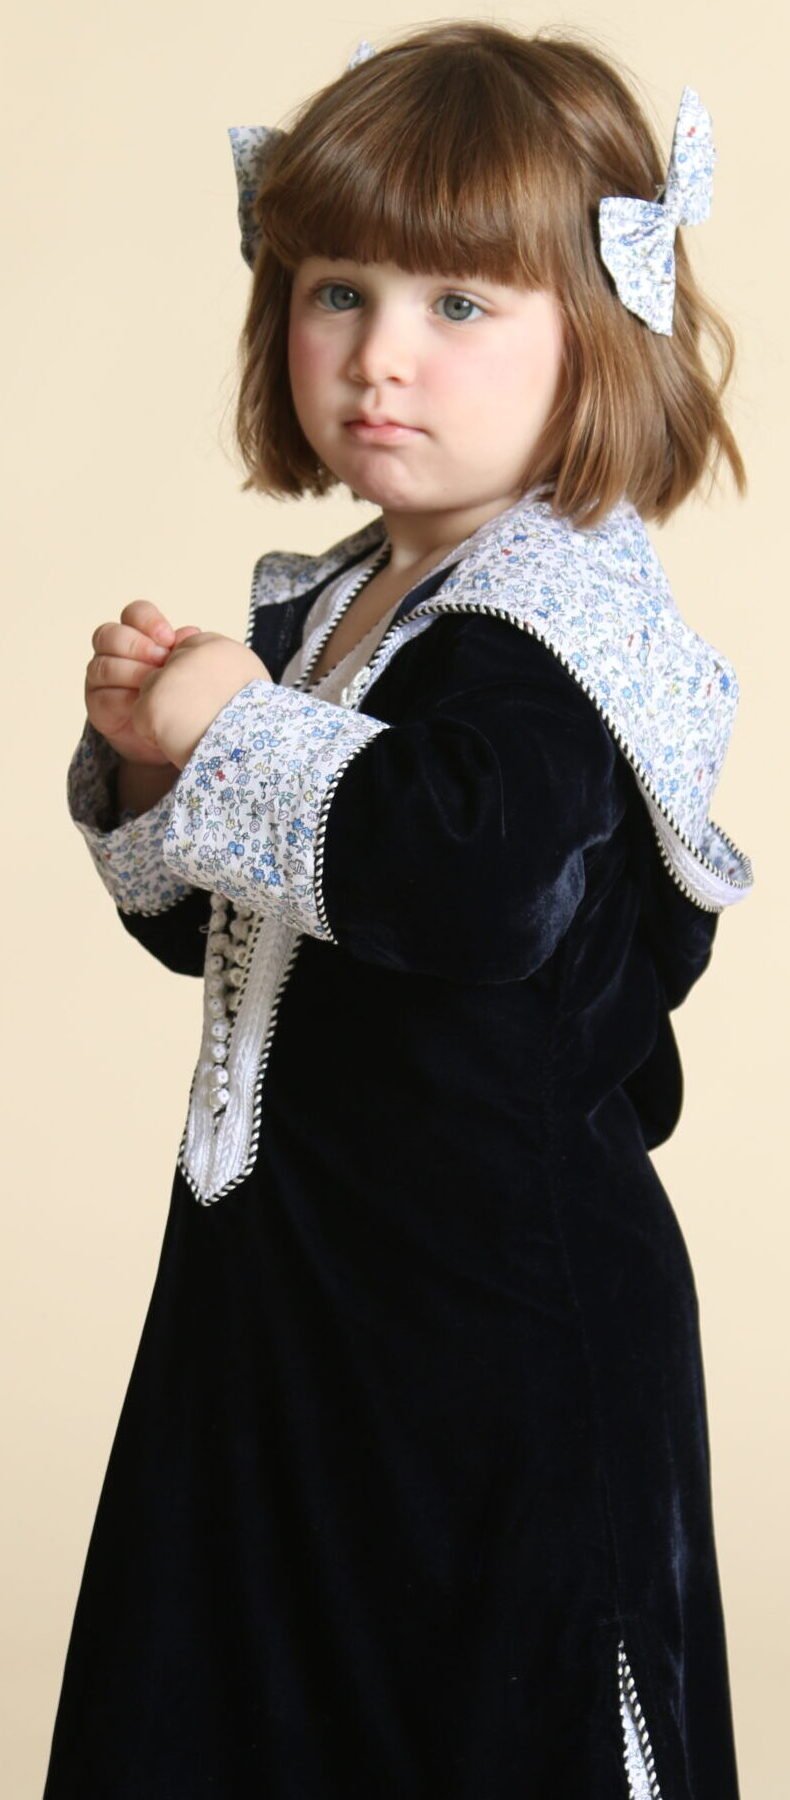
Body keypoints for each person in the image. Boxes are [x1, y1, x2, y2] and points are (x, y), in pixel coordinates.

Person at [43, 22, 753, 1800]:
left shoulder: (557, 620)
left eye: (458, 304)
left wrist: (237, 728)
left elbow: (473, 884)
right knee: (237, 1693)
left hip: (483, 1332)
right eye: (337, 292)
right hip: (291, 1298)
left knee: (468, 1711)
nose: (377, 355)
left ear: (595, 327)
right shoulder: (348, 601)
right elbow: (247, 938)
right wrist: (154, 765)